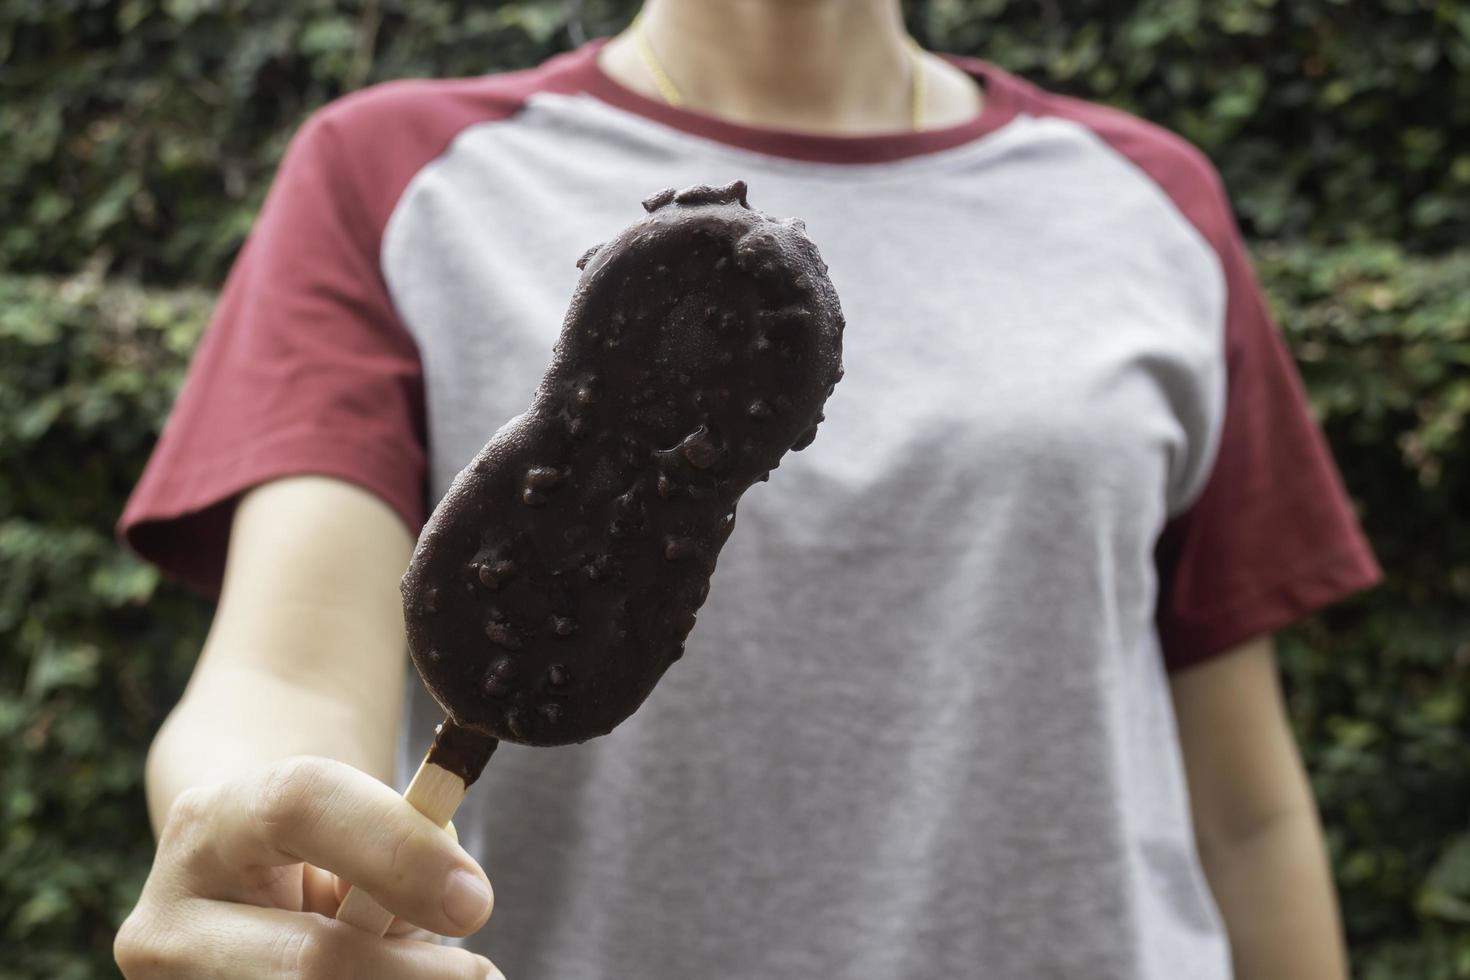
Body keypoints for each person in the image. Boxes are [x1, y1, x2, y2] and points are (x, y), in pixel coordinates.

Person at [113, 1, 1381, 977]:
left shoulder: (1153, 204)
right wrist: (259, 833)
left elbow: (1248, 809)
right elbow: (283, 672)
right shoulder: (392, 172)